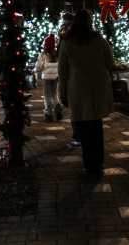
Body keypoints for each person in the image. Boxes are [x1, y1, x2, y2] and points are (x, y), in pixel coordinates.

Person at [59, 9, 114, 174]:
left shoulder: (67, 42)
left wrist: (62, 92)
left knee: (82, 126)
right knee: (96, 125)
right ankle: (98, 161)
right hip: (97, 86)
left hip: (77, 87)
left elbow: (63, 70)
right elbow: (110, 62)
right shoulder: (99, 40)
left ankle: (88, 162)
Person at [58, 12, 81, 147]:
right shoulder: (96, 39)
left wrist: (63, 90)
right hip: (87, 84)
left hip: (74, 83)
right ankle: (83, 137)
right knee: (89, 114)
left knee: (77, 111)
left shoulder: (66, 39)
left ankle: (78, 137)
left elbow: (63, 67)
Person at [35, 34, 63, 122]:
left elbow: (39, 66)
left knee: (47, 96)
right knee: (54, 94)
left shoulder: (43, 55)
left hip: (46, 78)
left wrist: (35, 70)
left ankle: (49, 113)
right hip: (55, 77)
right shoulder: (57, 54)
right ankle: (57, 107)